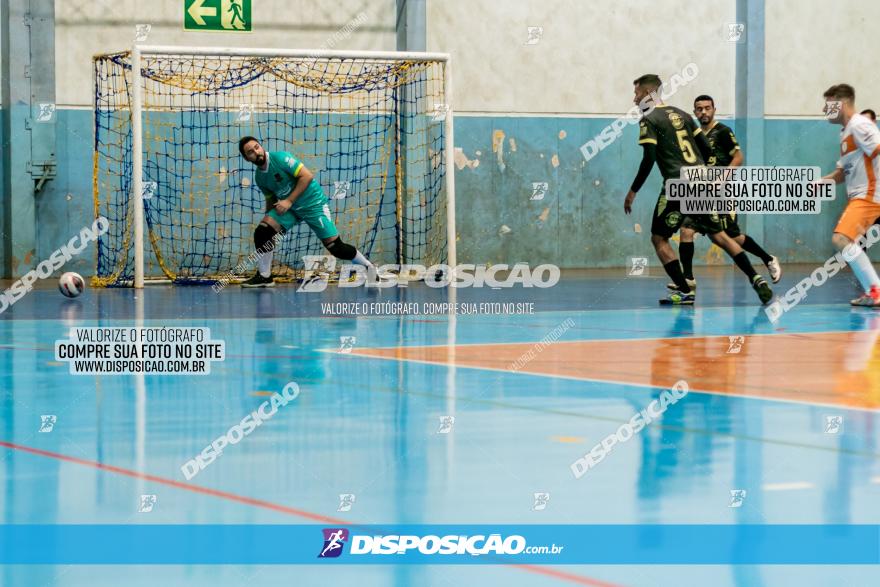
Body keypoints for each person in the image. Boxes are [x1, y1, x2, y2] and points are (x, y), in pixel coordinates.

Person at [624, 74, 773, 305]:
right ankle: (756, 278)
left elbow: (649, 159)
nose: (634, 99)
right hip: (700, 180)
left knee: (659, 238)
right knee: (720, 236)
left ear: (648, 94)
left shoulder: (649, 118)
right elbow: (706, 149)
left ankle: (685, 291)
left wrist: (633, 191)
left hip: (678, 184)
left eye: (636, 94)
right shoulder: (683, 115)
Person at [669, 95, 782, 291]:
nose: (703, 112)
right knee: (686, 230)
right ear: (695, 112)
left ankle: (768, 258)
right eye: (699, 109)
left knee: (732, 237)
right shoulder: (694, 136)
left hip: (721, 194)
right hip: (700, 194)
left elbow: (738, 157)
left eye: (707, 108)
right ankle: (688, 280)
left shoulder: (722, 132)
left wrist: (723, 177)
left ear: (714, 109)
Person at [237, 136, 384, 287]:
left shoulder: (281, 158)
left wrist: (289, 201)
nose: (256, 152)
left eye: (257, 147)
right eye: (250, 152)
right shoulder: (259, 177)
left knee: (336, 248)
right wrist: (269, 221)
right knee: (263, 232)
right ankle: (264, 276)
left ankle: (368, 267)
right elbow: (271, 199)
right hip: (292, 210)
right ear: (247, 158)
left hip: (313, 204)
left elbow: (306, 176)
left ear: (261, 147)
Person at [820, 85, 880, 306]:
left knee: (841, 238)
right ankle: (872, 290)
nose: (824, 109)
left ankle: (875, 290)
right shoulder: (845, 132)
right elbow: (841, 173)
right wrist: (820, 183)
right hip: (861, 196)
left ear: (840, 103)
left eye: (827, 104)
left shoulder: (860, 124)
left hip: (870, 195)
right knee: (849, 241)